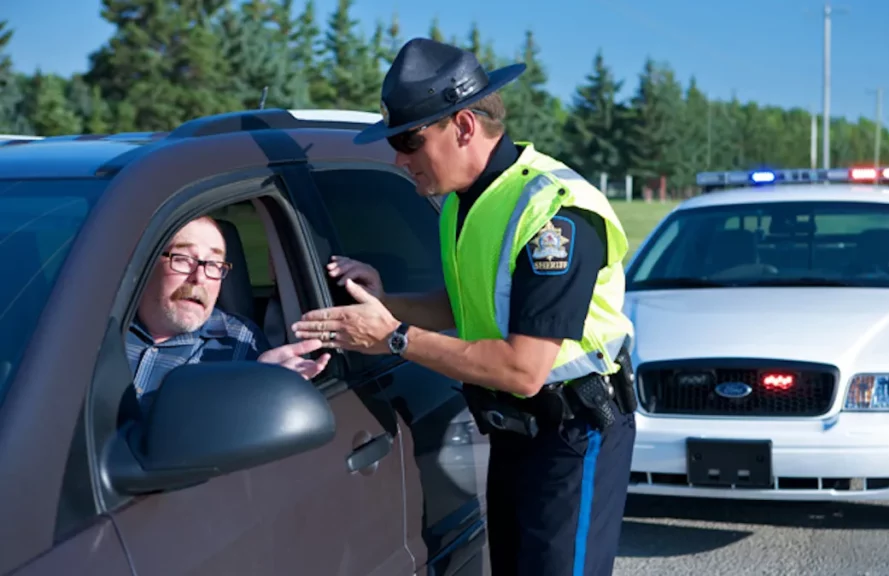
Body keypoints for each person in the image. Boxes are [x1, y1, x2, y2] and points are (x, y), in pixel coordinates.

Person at [291, 38, 637, 576]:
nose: (398, 159)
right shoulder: (463, 200)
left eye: (409, 140)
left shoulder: (554, 214)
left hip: (573, 436)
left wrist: (394, 337)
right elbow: (465, 306)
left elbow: (524, 370)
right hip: (517, 434)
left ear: (464, 126)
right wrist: (386, 303)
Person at [126, 215, 330, 410]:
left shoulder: (241, 342)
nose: (199, 277)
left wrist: (263, 388)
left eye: (214, 264)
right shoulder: (102, 321)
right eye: (184, 259)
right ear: (148, 264)